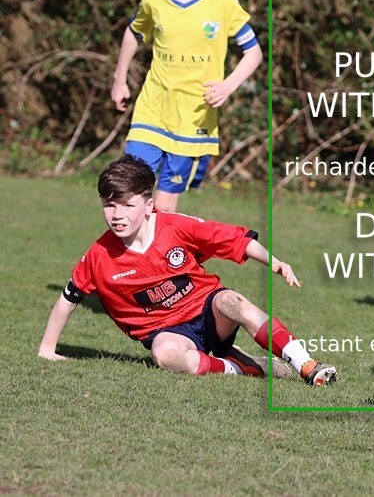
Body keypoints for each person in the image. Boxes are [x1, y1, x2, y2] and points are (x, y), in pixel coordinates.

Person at [38, 155, 337, 386]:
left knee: (232, 300)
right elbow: (69, 297)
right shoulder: (99, 256)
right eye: (109, 206)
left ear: (148, 205)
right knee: (164, 356)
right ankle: (244, 366)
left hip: (208, 311)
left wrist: (275, 262)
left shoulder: (175, 226)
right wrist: (47, 349)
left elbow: (233, 238)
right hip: (167, 332)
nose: (117, 215)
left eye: (128, 206)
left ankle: (307, 365)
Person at [111, 0, 263, 213]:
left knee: (164, 208)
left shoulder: (224, 4)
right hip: (152, 111)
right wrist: (119, 80)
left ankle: (158, 258)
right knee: (128, 192)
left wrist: (228, 86)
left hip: (194, 119)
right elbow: (133, 32)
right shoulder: (154, 1)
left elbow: (253, 53)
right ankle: (129, 258)